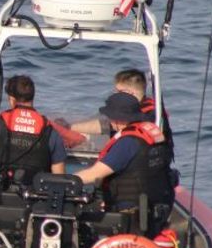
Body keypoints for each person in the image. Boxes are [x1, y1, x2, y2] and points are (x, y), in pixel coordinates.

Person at [75, 92, 176, 237]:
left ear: (117, 119)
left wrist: (68, 180)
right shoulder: (149, 134)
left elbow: (94, 174)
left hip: (129, 217)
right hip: (153, 210)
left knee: (79, 221)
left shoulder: (127, 143)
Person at [0, 75, 66, 186]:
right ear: (32, 97)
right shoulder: (50, 131)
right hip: (35, 200)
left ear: (12, 99)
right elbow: (59, 178)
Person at [69, 69, 174, 157]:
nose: (115, 94)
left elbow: (105, 125)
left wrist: (68, 127)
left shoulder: (148, 114)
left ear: (130, 93)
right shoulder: (138, 108)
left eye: (119, 91)